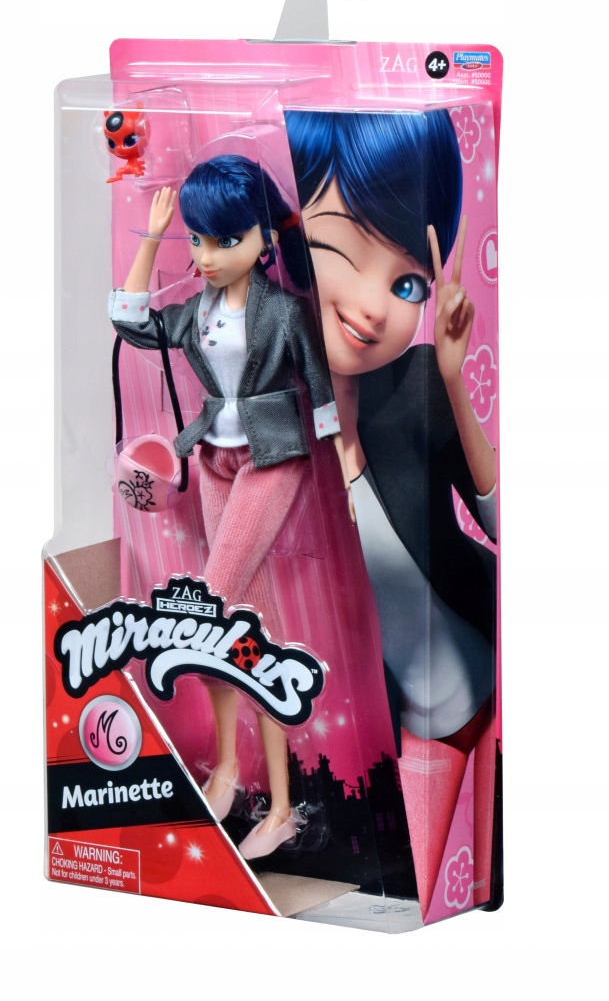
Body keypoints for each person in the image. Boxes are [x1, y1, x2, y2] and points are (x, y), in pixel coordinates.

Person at [285, 109, 498, 915]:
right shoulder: (279, 440)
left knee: (476, 888)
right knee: (410, 900)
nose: (375, 308)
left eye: (406, 283)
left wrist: (451, 380)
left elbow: (505, 526)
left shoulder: (413, 388)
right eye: (342, 250)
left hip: (495, 683)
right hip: (404, 732)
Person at [109, 153, 347, 859]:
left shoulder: (284, 311)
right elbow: (129, 322)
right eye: (199, 241)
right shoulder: (195, 313)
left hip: (273, 460)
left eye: (225, 240)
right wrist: (152, 239)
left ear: (263, 239)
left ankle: (241, 780)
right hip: (213, 459)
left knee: (211, 606)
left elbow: (320, 389)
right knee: (252, 626)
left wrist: (350, 469)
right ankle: (263, 796)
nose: (208, 257)